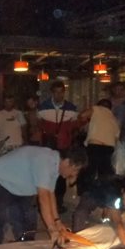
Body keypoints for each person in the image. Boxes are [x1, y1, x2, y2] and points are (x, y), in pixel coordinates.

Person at [0, 146, 87, 245]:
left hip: (14, 186)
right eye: (75, 170)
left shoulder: (55, 166)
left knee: (29, 221)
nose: (74, 174)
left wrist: (57, 222)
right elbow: (43, 198)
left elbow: (50, 194)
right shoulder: (45, 161)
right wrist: (52, 229)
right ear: (67, 162)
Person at [39, 81, 79, 213]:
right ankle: (44, 203)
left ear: (64, 92)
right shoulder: (43, 107)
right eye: (56, 92)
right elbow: (38, 126)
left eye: (61, 92)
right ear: (52, 93)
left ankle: (59, 203)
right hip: (48, 147)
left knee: (62, 175)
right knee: (46, 174)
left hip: (64, 146)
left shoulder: (71, 108)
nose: (59, 95)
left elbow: (74, 128)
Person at [71, 175, 125, 245]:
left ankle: (106, 215)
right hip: (95, 193)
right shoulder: (113, 193)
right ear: (122, 191)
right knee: (80, 213)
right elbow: (118, 222)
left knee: (115, 213)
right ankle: (76, 238)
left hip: (113, 198)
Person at [76, 99, 119, 195]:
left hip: (95, 145)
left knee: (89, 171)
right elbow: (116, 138)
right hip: (108, 148)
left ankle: (84, 193)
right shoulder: (114, 119)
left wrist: (83, 120)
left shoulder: (97, 109)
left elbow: (82, 115)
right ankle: (103, 195)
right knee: (104, 174)